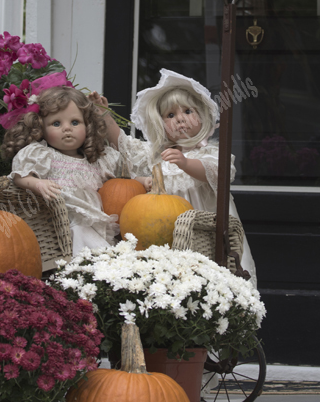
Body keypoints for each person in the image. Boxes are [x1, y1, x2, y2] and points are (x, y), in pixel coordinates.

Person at [95, 69, 256, 280]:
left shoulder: (211, 153)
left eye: (188, 111)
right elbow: (124, 145)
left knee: (213, 278)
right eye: (170, 115)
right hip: (164, 233)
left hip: (206, 233)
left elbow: (219, 174)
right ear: (160, 124)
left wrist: (186, 163)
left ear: (203, 115)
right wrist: (104, 115)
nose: (180, 119)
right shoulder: (157, 155)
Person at [1, 86, 120, 254]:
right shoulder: (42, 154)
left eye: (75, 122)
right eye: (56, 123)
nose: (67, 128)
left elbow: (120, 183)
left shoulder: (96, 161)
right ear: (41, 127)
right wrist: (37, 183)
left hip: (93, 222)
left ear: (88, 126)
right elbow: (19, 176)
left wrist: (141, 181)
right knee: (83, 237)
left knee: (99, 245)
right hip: (63, 223)